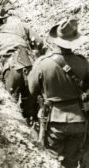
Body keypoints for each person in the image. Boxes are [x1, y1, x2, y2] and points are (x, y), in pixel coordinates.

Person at [28, 17, 89, 168]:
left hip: (54, 120)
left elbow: (32, 90)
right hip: (79, 120)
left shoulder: (42, 63)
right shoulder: (83, 62)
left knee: (52, 160)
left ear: (55, 39)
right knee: (71, 161)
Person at [0, 6, 43, 122]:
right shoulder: (19, 26)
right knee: (31, 102)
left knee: (11, 104)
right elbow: (40, 43)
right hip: (31, 66)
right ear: (3, 21)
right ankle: (31, 121)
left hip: (12, 69)